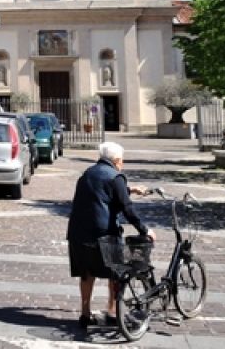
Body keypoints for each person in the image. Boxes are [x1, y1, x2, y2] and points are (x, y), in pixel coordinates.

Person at [66, 141, 156, 329]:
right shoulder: (116, 176)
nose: (122, 164)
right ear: (116, 161)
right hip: (104, 233)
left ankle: (85, 314)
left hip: (78, 232)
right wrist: (145, 230)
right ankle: (113, 312)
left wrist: (130, 189)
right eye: (122, 161)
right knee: (116, 272)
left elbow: (100, 191)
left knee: (86, 273)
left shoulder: (87, 173)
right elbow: (127, 207)